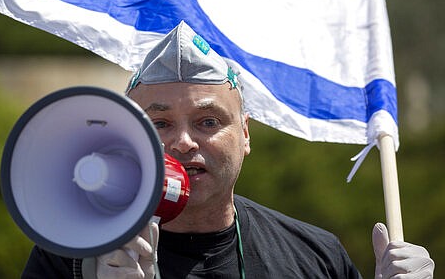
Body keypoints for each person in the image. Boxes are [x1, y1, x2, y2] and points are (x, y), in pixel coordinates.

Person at [22, 21, 434, 278]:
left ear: (246, 134)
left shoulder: (315, 256)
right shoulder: (74, 254)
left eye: (208, 122)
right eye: (160, 123)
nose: (183, 143)